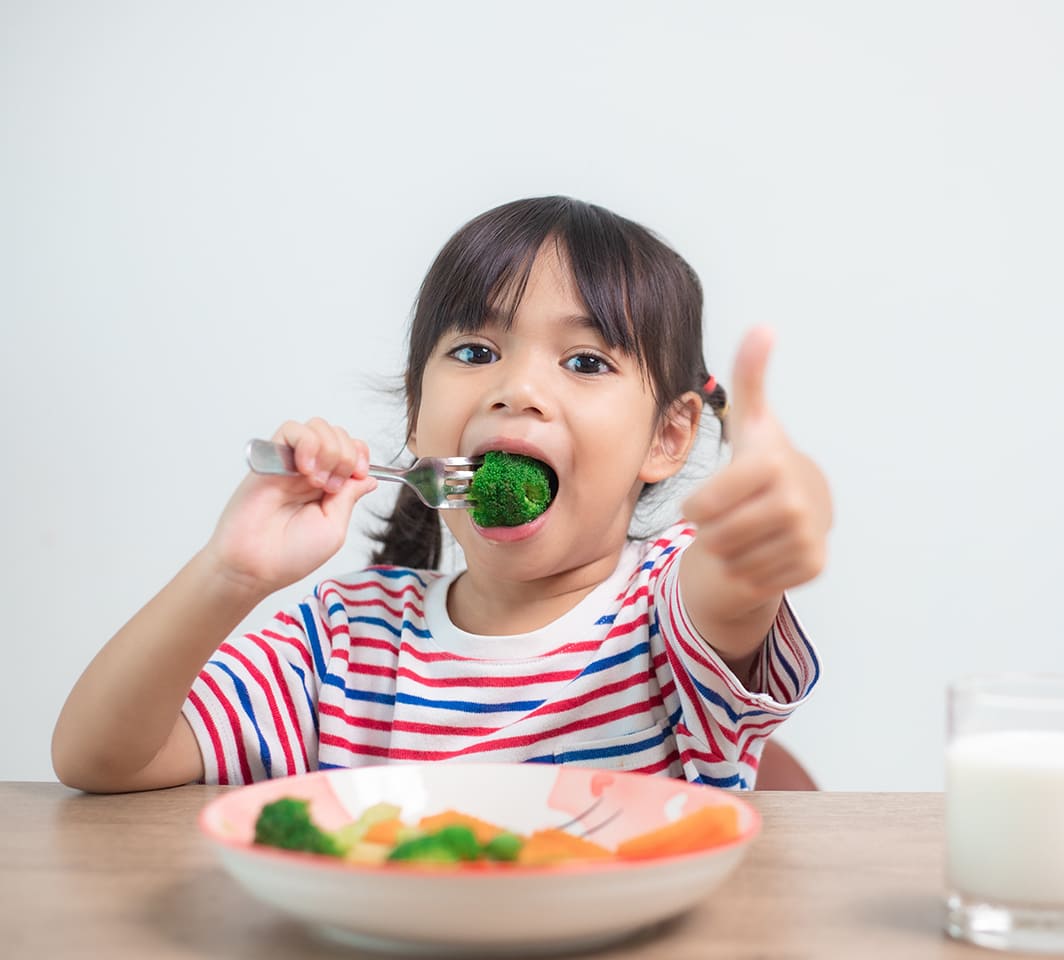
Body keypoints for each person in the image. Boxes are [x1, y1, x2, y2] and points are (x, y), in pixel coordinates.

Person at [52, 196, 832, 794]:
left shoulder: (669, 607)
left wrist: (778, 507)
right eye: (476, 350)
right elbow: (100, 759)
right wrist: (231, 573)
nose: (518, 388)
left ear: (668, 437)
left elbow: (740, 575)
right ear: (418, 419)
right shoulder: (345, 642)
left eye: (586, 361)